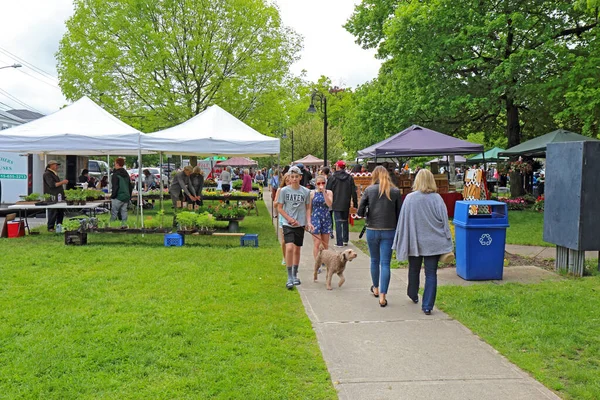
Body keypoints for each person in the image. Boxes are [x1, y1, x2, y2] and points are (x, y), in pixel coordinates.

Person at [392, 169, 453, 315]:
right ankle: (427, 305)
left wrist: (400, 239)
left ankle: (413, 294)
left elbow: (403, 220)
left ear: (416, 181)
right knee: (431, 273)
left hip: (414, 240)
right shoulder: (437, 198)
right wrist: (448, 238)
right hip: (434, 242)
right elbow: (444, 220)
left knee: (414, 269)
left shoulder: (410, 198)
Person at [357, 166, 402, 307]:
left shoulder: (369, 190)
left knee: (374, 260)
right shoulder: (395, 191)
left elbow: (360, 211)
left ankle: (375, 288)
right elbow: (399, 213)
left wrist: (367, 212)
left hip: (372, 229)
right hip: (389, 229)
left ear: (374, 176)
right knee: (385, 263)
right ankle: (383, 296)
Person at [277, 166, 313, 289]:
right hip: (288, 224)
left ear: (300, 177)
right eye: (292, 177)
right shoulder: (284, 191)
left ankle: (294, 274)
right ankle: (289, 277)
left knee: (297, 249)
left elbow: (308, 208)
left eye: (296, 177)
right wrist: (289, 219)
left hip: (300, 223)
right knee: (289, 247)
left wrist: (308, 222)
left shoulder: (306, 192)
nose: (294, 179)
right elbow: (280, 208)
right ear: (289, 178)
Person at [326, 160, 358, 247]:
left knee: (338, 222)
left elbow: (328, 190)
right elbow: (353, 191)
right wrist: (355, 203)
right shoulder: (349, 177)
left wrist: (327, 202)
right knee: (345, 222)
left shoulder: (332, 178)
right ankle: (345, 240)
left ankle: (339, 242)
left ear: (338, 167)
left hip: (336, 202)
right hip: (345, 202)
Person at [308, 174, 333, 263]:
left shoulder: (329, 192)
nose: (321, 185)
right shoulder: (312, 193)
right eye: (318, 183)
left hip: (325, 218)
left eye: (322, 183)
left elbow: (329, 204)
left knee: (325, 243)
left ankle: (325, 261)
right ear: (315, 184)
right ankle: (317, 262)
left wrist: (323, 192)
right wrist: (309, 221)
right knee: (317, 243)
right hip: (315, 218)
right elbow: (309, 208)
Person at [43, 160, 69, 232]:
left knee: (60, 211)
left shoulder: (54, 174)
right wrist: (62, 182)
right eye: (55, 165)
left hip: (58, 196)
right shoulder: (47, 174)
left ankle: (59, 226)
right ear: (51, 165)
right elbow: (52, 185)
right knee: (53, 212)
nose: (57, 166)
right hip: (52, 196)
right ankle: (50, 227)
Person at [110, 157, 133, 227]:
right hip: (126, 195)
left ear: (117, 164)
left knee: (114, 212)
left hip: (118, 196)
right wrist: (129, 195)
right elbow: (130, 186)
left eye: (115, 163)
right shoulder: (126, 174)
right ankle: (124, 225)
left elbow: (115, 187)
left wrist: (113, 196)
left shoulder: (115, 174)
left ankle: (111, 226)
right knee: (124, 211)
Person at [274, 172, 291, 265]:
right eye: (287, 180)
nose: (288, 182)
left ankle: (290, 257)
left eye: (290, 180)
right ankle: (284, 257)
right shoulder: (280, 190)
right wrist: (279, 200)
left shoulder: (295, 190)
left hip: (293, 217)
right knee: (284, 240)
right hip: (283, 217)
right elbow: (275, 204)